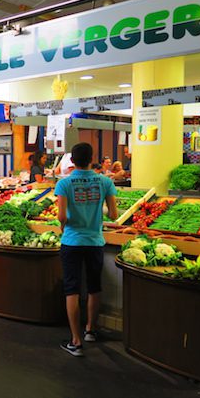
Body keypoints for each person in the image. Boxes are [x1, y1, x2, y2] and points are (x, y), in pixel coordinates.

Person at [55, 143, 117, 357]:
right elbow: (113, 215)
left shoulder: (64, 183)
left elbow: (61, 216)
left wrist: (64, 226)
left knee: (71, 289)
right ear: (92, 158)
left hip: (71, 241)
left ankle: (76, 341)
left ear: (72, 161)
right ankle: (91, 329)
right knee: (94, 287)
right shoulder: (105, 181)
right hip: (95, 241)